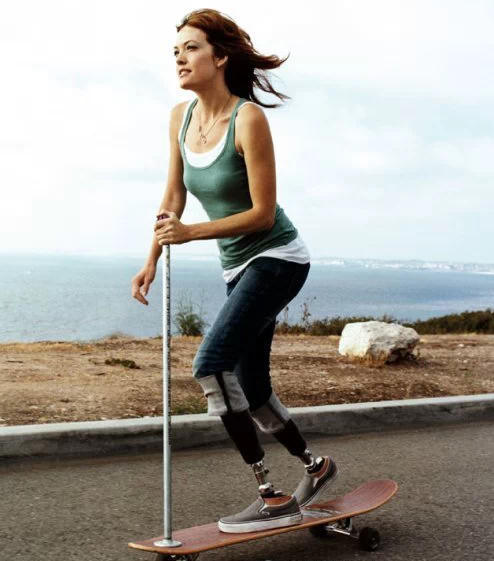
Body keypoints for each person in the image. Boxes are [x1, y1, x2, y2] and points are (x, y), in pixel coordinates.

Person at [131, 8, 338, 534]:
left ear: (220, 57)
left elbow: (263, 215)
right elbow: (173, 196)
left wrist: (192, 234)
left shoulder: (248, 119)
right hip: (237, 267)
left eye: (191, 47)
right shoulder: (179, 118)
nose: (179, 58)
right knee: (253, 385)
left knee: (211, 364)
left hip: (278, 259)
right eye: (175, 50)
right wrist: (151, 258)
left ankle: (270, 494)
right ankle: (316, 466)